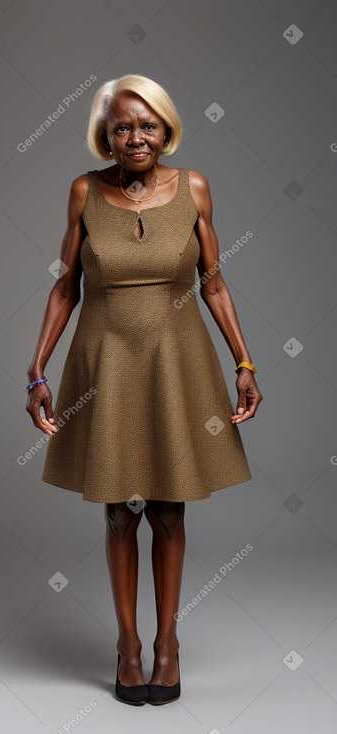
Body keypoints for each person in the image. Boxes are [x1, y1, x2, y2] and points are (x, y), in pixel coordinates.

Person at [25, 73, 263, 706]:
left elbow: (213, 282)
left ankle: (168, 646)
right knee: (120, 508)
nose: (135, 137)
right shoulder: (84, 191)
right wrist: (38, 372)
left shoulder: (195, 189)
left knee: (168, 506)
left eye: (147, 125)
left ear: (167, 128)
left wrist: (245, 362)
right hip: (106, 363)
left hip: (176, 361)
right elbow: (64, 286)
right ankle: (128, 647)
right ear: (105, 136)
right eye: (121, 127)